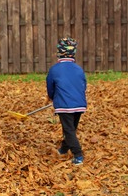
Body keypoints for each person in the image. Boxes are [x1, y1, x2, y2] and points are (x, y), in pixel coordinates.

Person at [46, 37, 87, 165]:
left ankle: (78, 154)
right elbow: (83, 85)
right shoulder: (79, 69)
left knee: (69, 130)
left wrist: (52, 97)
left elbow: (50, 87)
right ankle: (64, 148)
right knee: (71, 129)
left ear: (59, 52)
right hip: (79, 104)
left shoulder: (55, 69)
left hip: (64, 105)